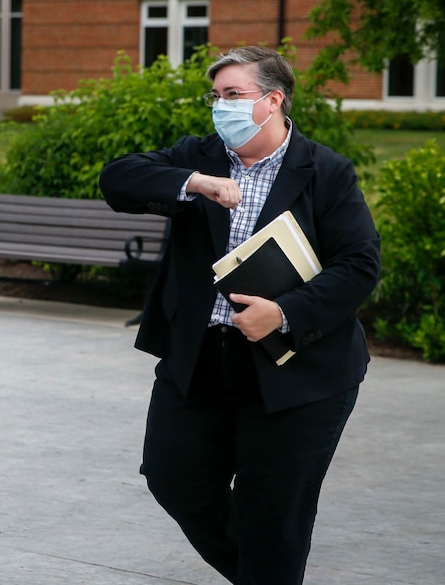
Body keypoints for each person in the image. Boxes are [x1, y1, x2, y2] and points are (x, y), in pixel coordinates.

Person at [99, 46, 380, 585]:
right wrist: (193, 183)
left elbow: (360, 265)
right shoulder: (197, 155)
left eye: (233, 95)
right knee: (173, 478)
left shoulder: (325, 171)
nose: (220, 106)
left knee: (274, 510)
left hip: (297, 370)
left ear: (272, 100)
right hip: (202, 363)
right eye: (216, 96)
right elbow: (118, 179)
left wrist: (284, 312)